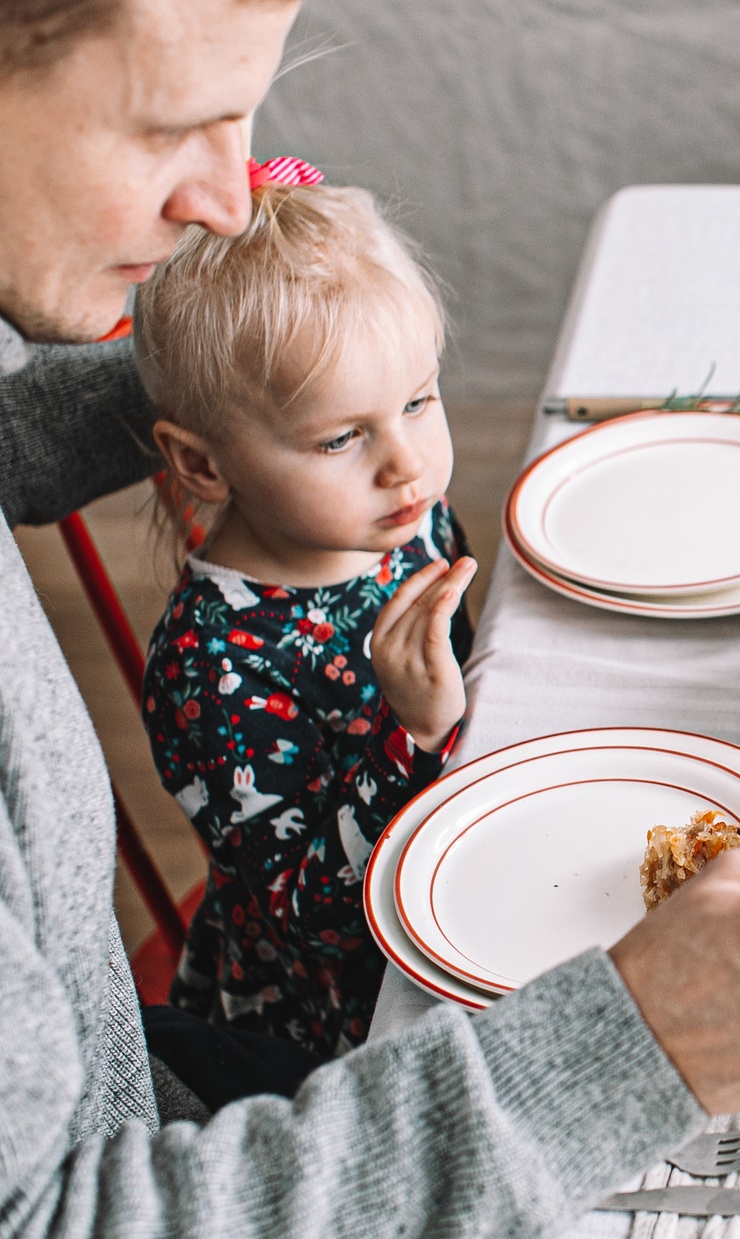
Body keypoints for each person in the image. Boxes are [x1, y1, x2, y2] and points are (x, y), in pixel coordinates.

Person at [0, 1, 740, 1239]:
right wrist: (634, 1045)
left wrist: (270, 363)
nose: (230, 199)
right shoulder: (215, 664)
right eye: (173, 126)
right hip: (253, 1081)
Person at [139, 175, 477, 1057]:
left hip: (465, 865)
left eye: (418, 400)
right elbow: (311, 921)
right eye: (340, 438)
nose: (407, 465)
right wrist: (413, 734)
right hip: (333, 1029)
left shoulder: (399, 517)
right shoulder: (212, 665)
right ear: (203, 466)